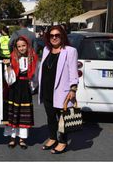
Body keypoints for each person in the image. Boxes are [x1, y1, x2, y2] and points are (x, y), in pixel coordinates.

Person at [38, 25, 79, 155]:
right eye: (51, 35)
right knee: (50, 117)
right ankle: (52, 138)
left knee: (63, 118)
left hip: (62, 91)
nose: (54, 38)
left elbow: (74, 72)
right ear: (48, 37)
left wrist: (73, 89)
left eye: (57, 35)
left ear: (62, 36)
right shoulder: (46, 50)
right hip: (47, 90)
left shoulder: (70, 51)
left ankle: (62, 141)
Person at [4, 35, 38, 149]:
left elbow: (35, 75)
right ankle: (12, 138)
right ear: (16, 47)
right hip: (15, 86)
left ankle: (22, 139)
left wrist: (33, 86)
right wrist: (8, 66)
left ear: (27, 45)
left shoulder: (32, 56)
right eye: (19, 46)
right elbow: (9, 76)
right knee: (14, 112)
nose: (21, 48)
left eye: (23, 45)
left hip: (25, 87)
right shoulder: (13, 56)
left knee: (24, 113)